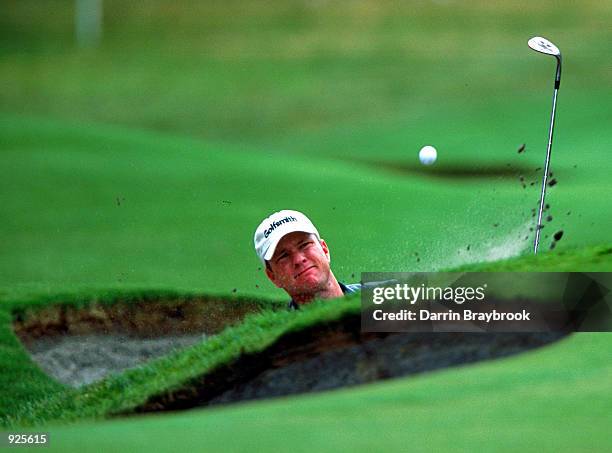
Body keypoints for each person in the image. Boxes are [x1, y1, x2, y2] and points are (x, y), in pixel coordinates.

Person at [254, 210, 361, 309]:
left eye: (304, 245)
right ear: (273, 277)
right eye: (284, 256)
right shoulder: (283, 329)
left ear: (325, 250)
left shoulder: (375, 297)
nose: (299, 260)